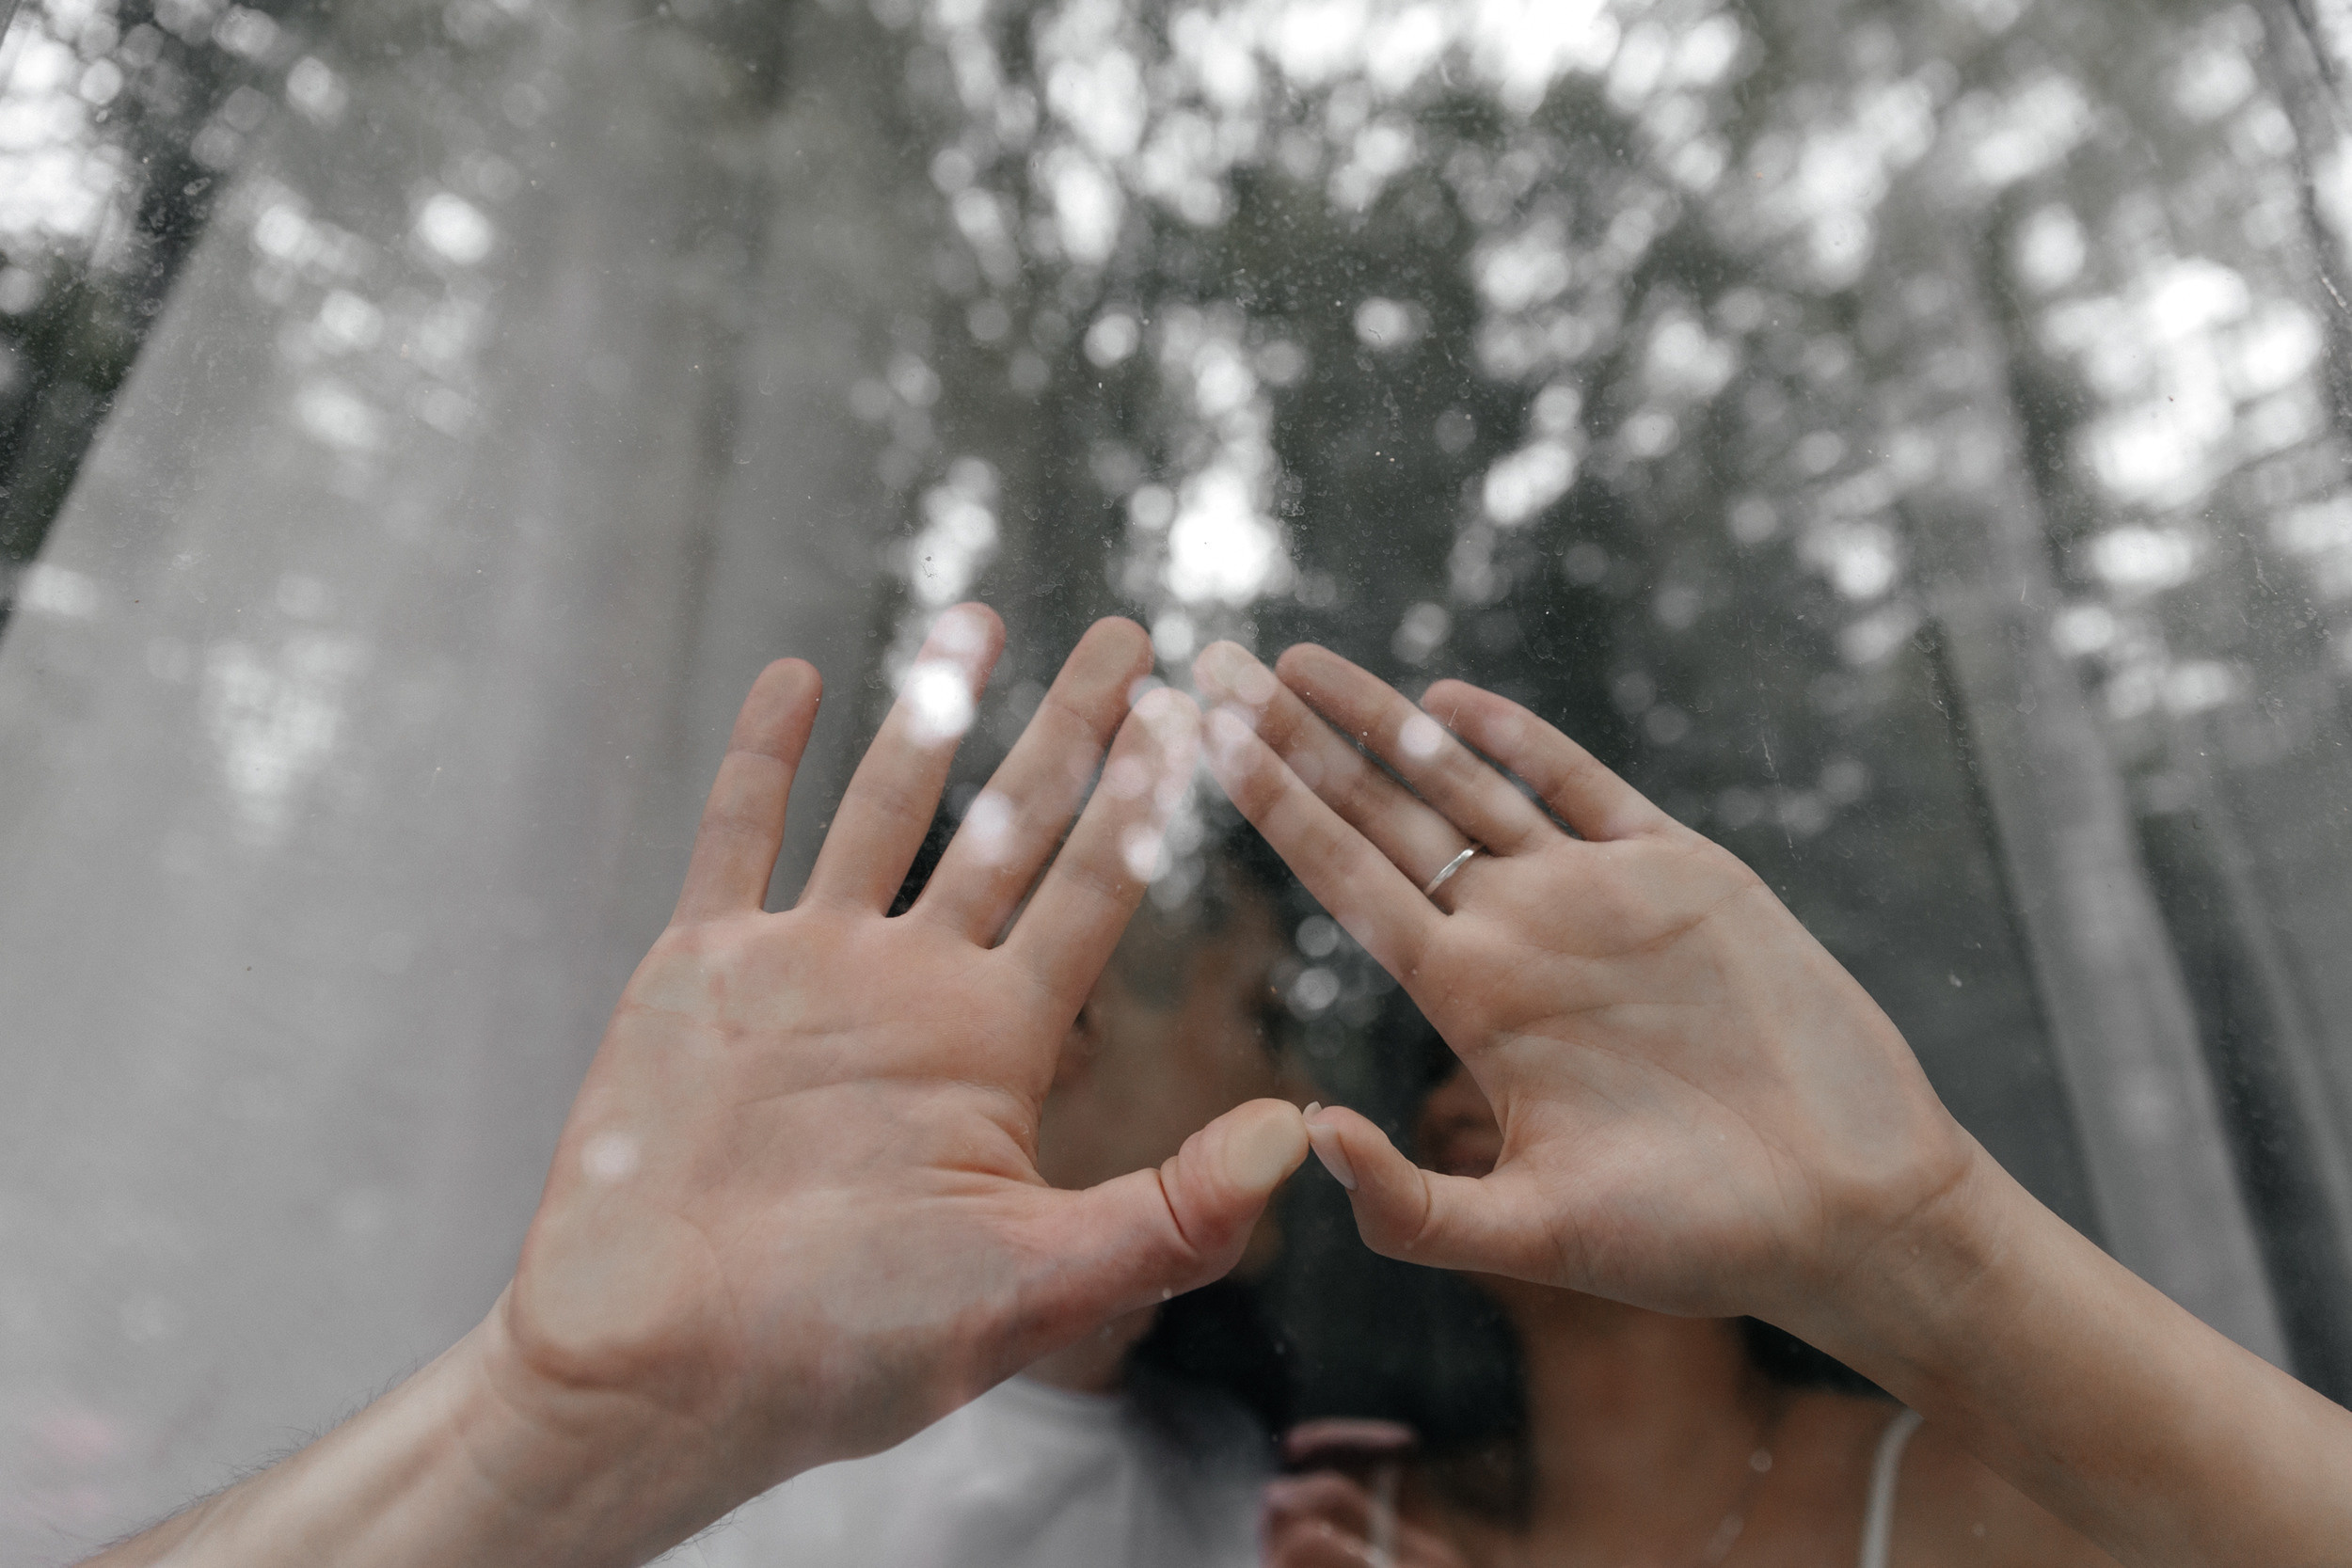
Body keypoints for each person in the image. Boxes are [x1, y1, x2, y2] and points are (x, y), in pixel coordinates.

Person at [79, 605, 2352, 1568]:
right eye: (1269, 1007)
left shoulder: (1238, 1497)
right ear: (1051, 1035)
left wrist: (1923, 1242)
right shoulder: (1316, 1513)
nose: (1324, 1082)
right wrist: (541, 1432)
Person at [687, 815, 1304, 1568]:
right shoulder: (754, 1461)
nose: (1302, 1086)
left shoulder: (1235, 1479)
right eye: (1265, 1019)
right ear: (1073, 1017)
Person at [1260, 1052, 2118, 1567]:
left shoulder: (1977, 1504)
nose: (1451, 1103)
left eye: (1532, 1045)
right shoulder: (1338, 1525)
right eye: (1439, 1060)